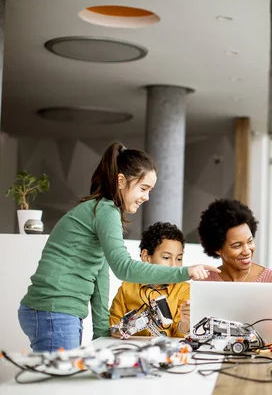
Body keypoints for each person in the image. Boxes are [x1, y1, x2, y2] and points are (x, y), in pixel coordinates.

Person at [18, 142, 219, 352]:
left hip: (56, 311)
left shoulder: (102, 211)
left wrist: (102, 334)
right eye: (143, 188)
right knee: (57, 383)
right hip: (53, 310)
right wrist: (185, 271)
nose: (146, 197)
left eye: (150, 190)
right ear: (121, 180)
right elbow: (123, 267)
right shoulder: (106, 210)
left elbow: (100, 276)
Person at [109, 222, 191, 338]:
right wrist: (120, 330)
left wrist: (185, 323)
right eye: (166, 258)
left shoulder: (184, 290)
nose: (174, 265)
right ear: (146, 257)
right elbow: (113, 325)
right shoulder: (127, 288)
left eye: (179, 258)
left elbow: (179, 337)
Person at [197, 198, 272, 283]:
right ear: (218, 249)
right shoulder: (203, 283)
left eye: (250, 241)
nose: (247, 251)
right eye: (237, 245)